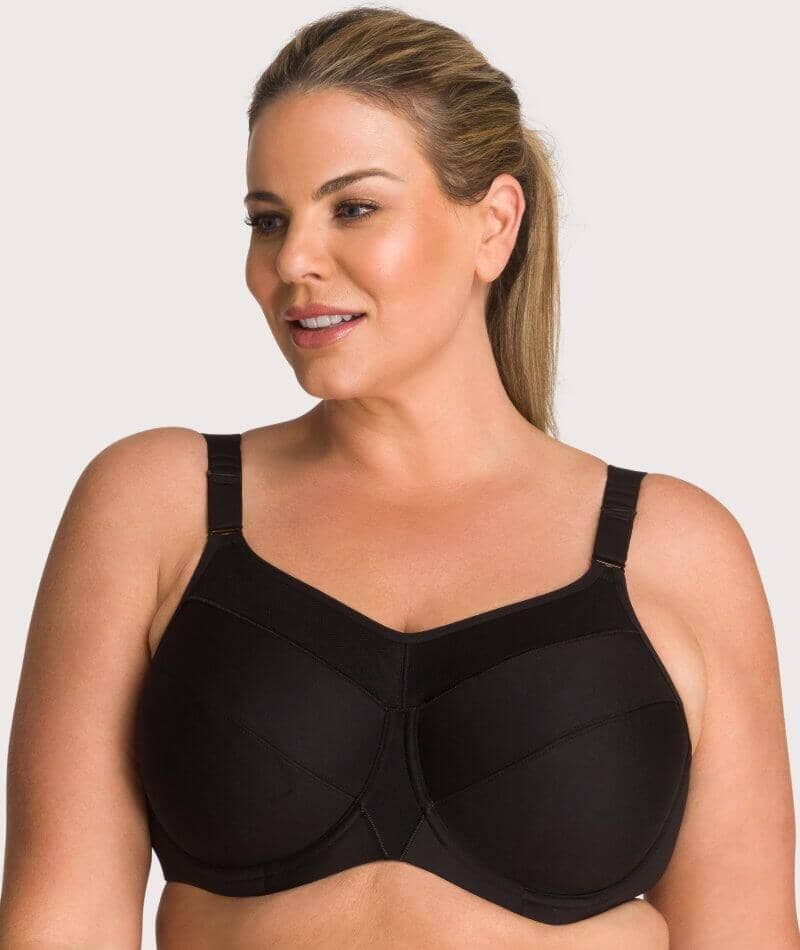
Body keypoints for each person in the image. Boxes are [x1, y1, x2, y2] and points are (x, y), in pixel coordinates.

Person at [1, 6, 797, 949]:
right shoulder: (157, 505)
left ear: (494, 225)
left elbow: (744, 932)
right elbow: (63, 919)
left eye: (353, 208)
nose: (293, 261)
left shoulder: (676, 547)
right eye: (268, 220)